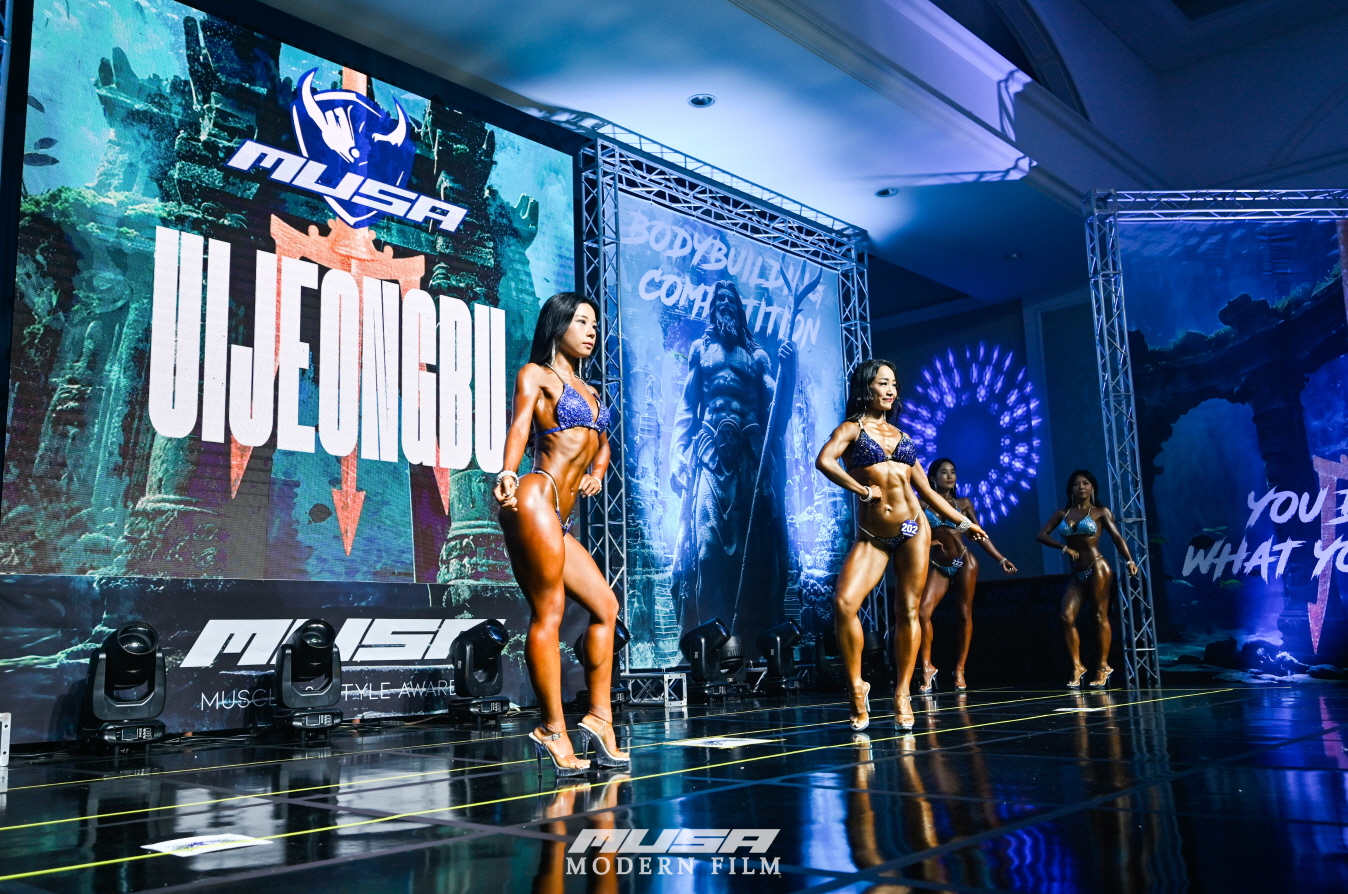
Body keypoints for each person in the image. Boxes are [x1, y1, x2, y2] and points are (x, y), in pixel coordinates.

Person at [494, 292, 628, 776]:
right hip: (535, 496)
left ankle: (599, 718)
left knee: (606, 607)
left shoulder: (590, 391)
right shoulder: (536, 375)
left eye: (594, 324)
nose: (592, 331)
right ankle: (552, 728)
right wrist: (508, 472)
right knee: (548, 611)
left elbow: (603, 443)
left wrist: (598, 472)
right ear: (558, 326)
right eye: (582, 322)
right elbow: (519, 426)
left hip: (561, 515)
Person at [815, 360, 987, 731]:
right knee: (844, 603)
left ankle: (903, 694)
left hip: (914, 528)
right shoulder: (851, 429)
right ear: (866, 388)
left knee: (908, 611)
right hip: (874, 535)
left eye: (893, 383)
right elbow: (824, 461)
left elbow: (926, 491)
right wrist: (861, 490)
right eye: (882, 383)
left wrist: (964, 522)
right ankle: (857, 686)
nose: (890, 390)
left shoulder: (901, 435)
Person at [669, 281, 797, 638]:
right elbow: (687, 404)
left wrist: (790, 372)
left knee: (756, 551)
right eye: (719, 300)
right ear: (713, 309)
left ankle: (749, 639)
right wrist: (677, 455)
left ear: (739, 310)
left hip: (749, 457)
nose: (724, 304)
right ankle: (707, 638)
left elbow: (778, 415)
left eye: (730, 300)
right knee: (706, 551)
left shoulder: (758, 358)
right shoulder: (701, 351)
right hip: (710, 453)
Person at [915, 459, 1018, 693]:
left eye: (953, 472)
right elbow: (909, 531)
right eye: (944, 472)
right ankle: (927, 666)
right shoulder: (921, 504)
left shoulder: (963, 503)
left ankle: (960, 669)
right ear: (932, 478)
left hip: (964, 562)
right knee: (922, 613)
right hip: (938, 564)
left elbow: (979, 534)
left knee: (963, 614)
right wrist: (928, 542)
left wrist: (1000, 559)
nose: (950, 476)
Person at [1035, 469, 1139, 688]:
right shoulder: (1062, 514)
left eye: (1085, 483)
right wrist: (1063, 547)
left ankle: (1103, 666)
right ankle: (1077, 666)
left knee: (1099, 615)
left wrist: (1129, 560)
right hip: (1077, 572)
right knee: (1066, 616)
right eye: (1076, 484)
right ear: (1070, 489)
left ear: (1092, 488)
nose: (1080, 487)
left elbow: (1117, 537)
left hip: (1098, 567)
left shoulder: (1101, 512)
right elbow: (1041, 535)